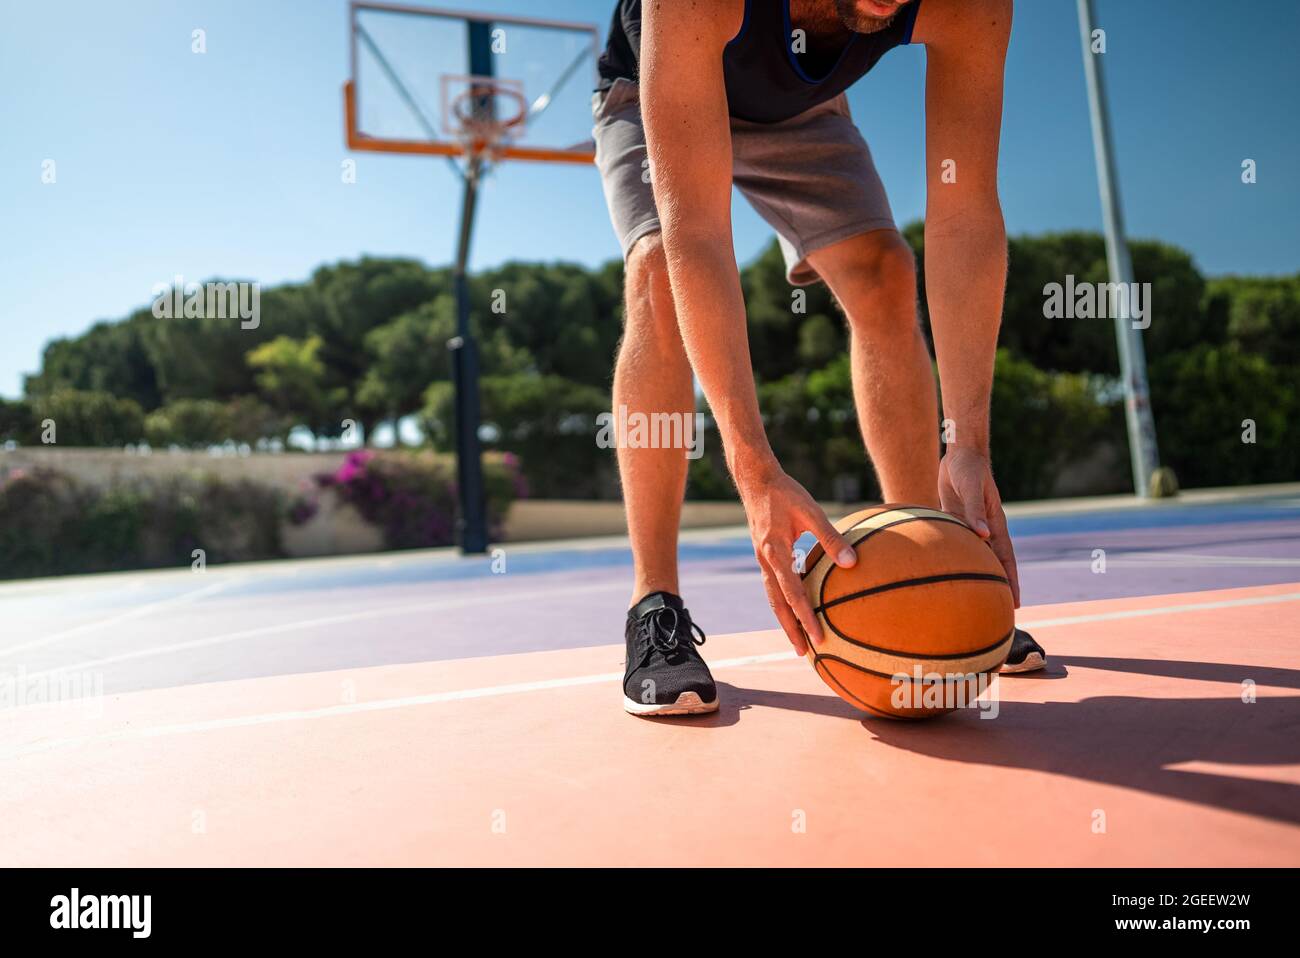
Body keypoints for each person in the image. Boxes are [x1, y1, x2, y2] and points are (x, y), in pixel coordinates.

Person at [593, 0, 1045, 717]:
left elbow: (965, 216)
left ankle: (932, 565)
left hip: (801, 110)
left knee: (883, 271)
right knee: (656, 273)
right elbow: (698, 236)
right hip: (659, 85)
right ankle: (655, 607)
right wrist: (755, 470)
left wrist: (969, 443)